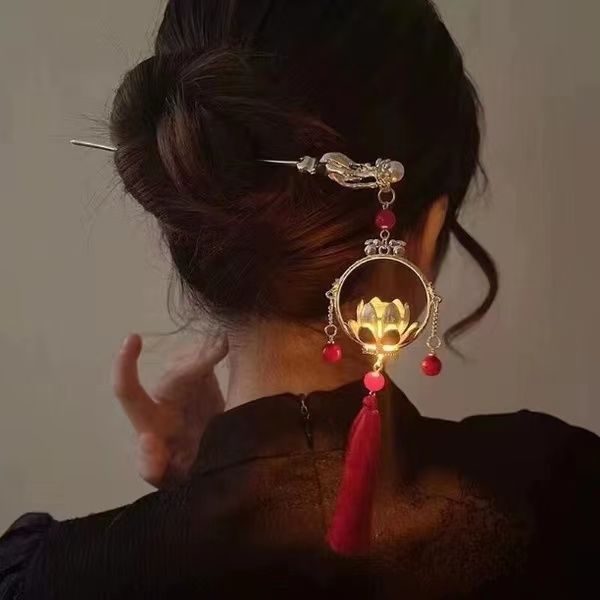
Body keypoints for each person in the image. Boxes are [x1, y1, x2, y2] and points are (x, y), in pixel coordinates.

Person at [1, 1, 598, 598]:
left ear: (191, 215)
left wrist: (211, 483)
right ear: (424, 235)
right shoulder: (565, 503)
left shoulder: (47, 580)